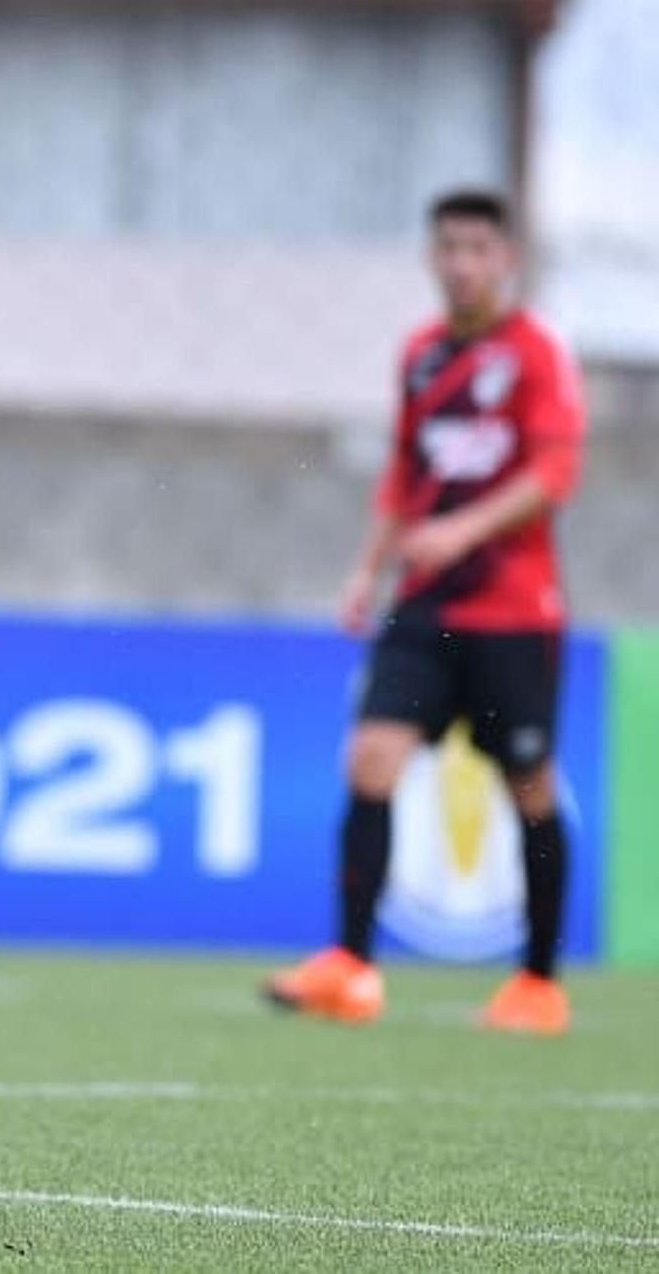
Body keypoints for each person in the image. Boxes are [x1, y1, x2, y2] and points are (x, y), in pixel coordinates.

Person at [265, 189, 586, 1035]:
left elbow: (552, 476)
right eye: (448, 247)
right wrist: (366, 572)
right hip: (425, 608)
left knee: (530, 786)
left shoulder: (538, 353)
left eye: (478, 248)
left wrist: (462, 531)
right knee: (370, 759)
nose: (461, 263)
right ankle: (352, 967)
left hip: (515, 612)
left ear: (506, 259)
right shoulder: (420, 355)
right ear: (431, 256)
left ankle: (538, 983)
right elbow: (406, 478)